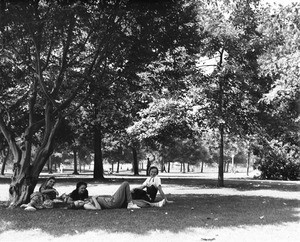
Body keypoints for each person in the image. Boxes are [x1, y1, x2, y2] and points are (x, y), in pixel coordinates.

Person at [71, 181, 166, 210]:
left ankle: (155, 204)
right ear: (79, 206)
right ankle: (129, 203)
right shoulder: (85, 205)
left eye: (78, 201)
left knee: (136, 202)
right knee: (125, 184)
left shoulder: (84, 200)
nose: (80, 201)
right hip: (112, 203)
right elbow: (98, 209)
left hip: (111, 200)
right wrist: (94, 199)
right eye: (78, 203)